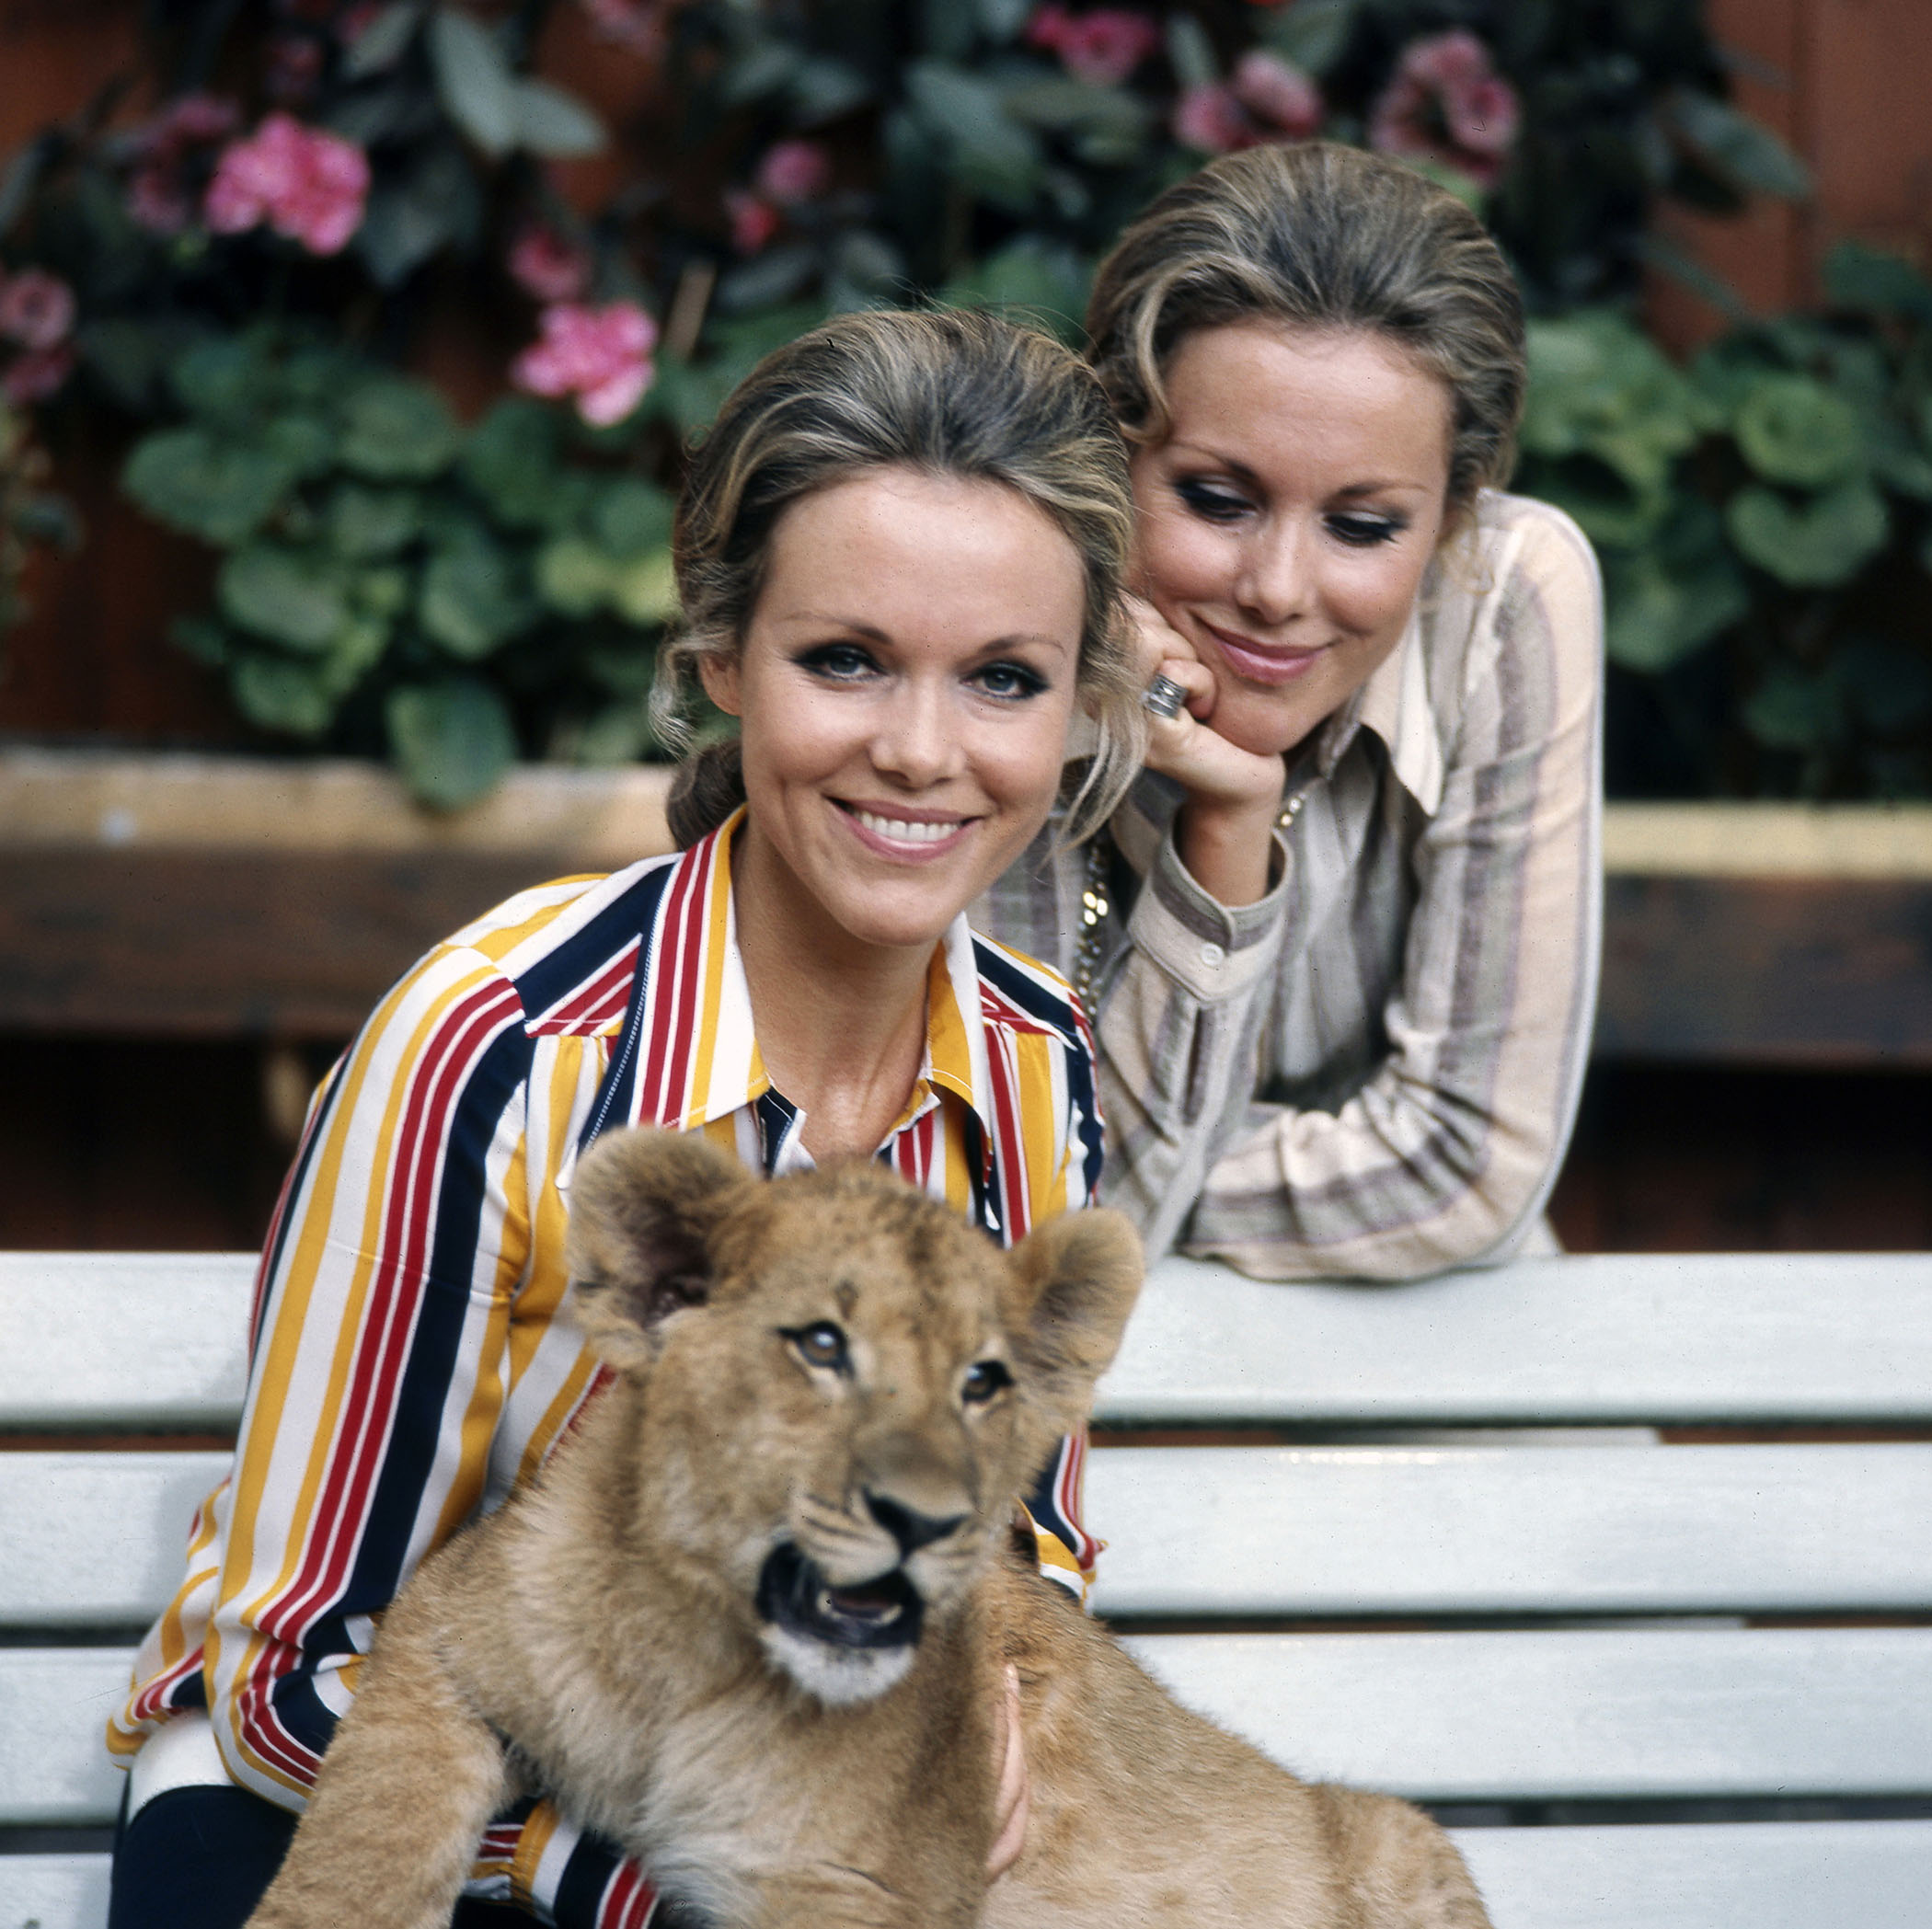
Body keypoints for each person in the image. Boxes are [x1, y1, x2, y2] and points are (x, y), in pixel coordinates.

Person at [107, 305, 1144, 1929]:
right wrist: (631, 1878)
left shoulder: (1035, 1064)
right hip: (363, 1805)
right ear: (723, 657)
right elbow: (290, 1664)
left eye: (1004, 678)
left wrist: (999, 1709)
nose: (924, 752)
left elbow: (1024, 1526)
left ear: (1081, 704)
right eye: (846, 658)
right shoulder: (505, 1047)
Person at [982, 140, 1603, 1280]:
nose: (1276, 588)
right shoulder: (1004, 609)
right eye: (1218, 500)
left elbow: (1466, 1167)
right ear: (1111, 460)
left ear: (1454, 516)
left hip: (1425, 1323)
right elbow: (1011, 1194)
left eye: (1363, 528)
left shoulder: (1507, 597)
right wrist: (1213, 825)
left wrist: (1122, 1186)